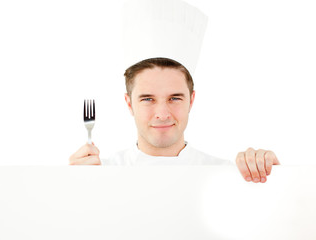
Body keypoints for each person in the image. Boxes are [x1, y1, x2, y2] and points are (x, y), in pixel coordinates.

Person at [69, 57, 281, 183]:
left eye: (174, 98)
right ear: (129, 103)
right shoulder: (99, 175)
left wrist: (270, 173)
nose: (162, 113)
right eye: (148, 99)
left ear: (191, 100)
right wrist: (69, 188)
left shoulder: (227, 174)